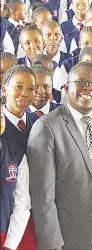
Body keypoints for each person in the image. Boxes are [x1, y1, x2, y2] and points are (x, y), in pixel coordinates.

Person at [27, 61, 92, 250]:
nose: (88, 88)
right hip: (68, 235)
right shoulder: (46, 127)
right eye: (81, 82)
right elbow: (42, 196)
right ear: (67, 86)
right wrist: (52, 243)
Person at [0, 101, 32, 250]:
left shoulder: (16, 154)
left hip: (7, 236)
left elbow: (22, 203)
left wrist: (10, 244)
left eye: (0, 116)